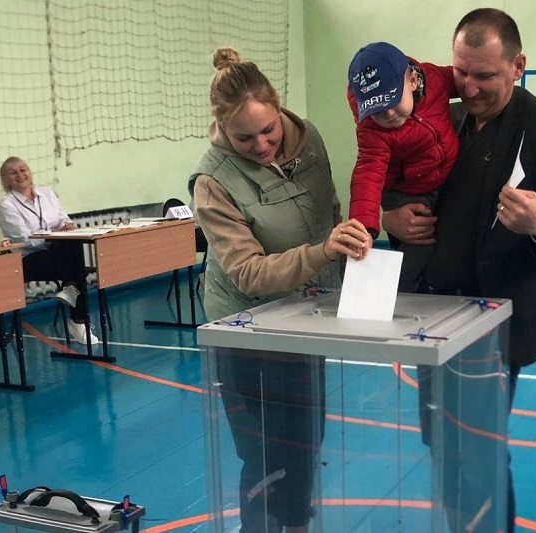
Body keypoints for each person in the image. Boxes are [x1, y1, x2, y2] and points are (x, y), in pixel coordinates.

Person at [383, 8, 536, 532]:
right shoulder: (440, 117)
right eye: (461, 72)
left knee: (477, 448)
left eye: (485, 75)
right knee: (441, 442)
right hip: (432, 315)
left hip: (494, 323)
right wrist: (391, 217)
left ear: (518, 66)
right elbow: (398, 187)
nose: (470, 87)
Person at [188, 47, 370, 533]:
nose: (262, 145)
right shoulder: (212, 182)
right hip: (246, 327)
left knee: (306, 440)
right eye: (244, 138)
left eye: (268, 130)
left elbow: (329, 209)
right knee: (265, 453)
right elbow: (247, 272)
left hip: (306, 315)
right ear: (222, 129)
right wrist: (323, 252)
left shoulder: (310, 140)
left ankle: (298, 525)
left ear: (279, 106)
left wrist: (348, 252)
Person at [347, 41, 458, 291]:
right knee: (419, 244)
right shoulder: (372, 129)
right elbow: (368, 172)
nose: (389, 115)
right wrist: (364, 229)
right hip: (405, 191)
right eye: (378, 110)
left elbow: (464, 81)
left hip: (443, 174)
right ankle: (395, 295)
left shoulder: (435, 80)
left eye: (393, 101)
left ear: (413, 80)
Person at [0, 157, 99, 345]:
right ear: (6, 179)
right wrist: (56, 233)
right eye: (13, 172)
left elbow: (64, 219)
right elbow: (24, 239)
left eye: (23, 169)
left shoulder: (47, 194)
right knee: (74, 262)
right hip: (28, 260)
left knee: (73, 244)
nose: (20, 175)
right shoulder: (6, 205)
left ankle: (72, 292)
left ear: (29, 172)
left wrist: (66, 226)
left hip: (58, 253)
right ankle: (77, 317)